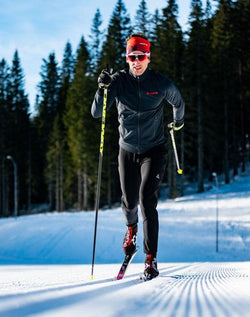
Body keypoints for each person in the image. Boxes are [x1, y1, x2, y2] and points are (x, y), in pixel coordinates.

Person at [91, 33, 185, 280]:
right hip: (127, 150)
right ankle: (130, 229)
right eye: (132, 57)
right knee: (129, 202)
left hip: (154, 150)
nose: (137, 61)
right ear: (127, 57)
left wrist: (178, 122)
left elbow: (178, 101)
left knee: (147, 200)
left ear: (148, 57)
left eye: (141, 56)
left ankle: (150, 258)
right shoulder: (119, 82)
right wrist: (102, 89)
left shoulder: (160, 83)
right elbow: (96, 113)